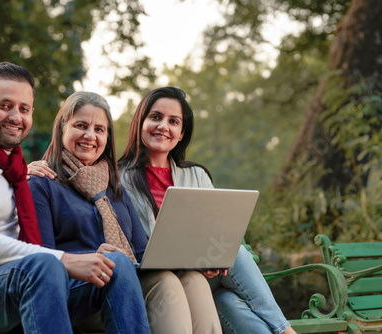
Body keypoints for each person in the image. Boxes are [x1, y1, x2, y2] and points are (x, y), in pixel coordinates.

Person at [0, 62, 151, 334]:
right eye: (4, 105)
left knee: (117, 265)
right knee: (44, 265)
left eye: (23, 109)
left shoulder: (15, 171)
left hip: (16, 287)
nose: (15, 116)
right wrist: (64, 259)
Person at [27, 91, 222, 333]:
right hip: (78, 291)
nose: (90, 135)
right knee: (165, 283)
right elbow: (42, 262)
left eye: (100, 129)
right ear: (62, 128)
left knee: (193, 281)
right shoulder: (42, 182)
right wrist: (88, 258)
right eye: (81, 125)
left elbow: (141, 252)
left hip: (123, 281)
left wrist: (192, 258)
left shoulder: (114, 188)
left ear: (107, 138)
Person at [116, 87, 297, 334]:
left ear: (181, 134)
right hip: (155, 281)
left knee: (235, 258)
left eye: (173, 121)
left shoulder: (196, 175)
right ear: (140, 122)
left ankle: (285, 331)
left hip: (201, 274)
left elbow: (214, 230)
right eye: (155, 117)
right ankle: (286, 331)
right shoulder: (117, 179)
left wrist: (213, 258)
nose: (163, 126)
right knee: (227, 301)